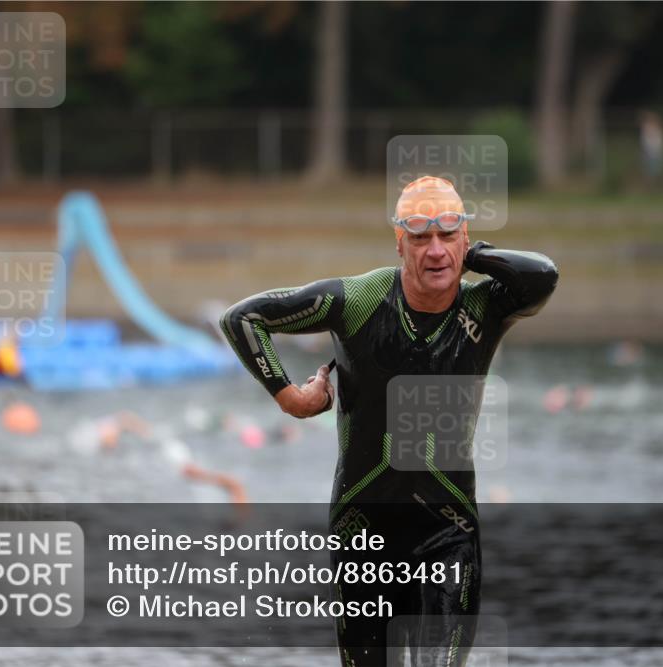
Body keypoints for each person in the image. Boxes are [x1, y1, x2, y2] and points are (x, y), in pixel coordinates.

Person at [220, 175, 558, 666]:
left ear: (465, 239)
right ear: (400, 243)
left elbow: (543, 276)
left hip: (447, 533)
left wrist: (475, 255)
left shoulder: (485, 306)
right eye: (420, 238)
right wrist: (290, 398)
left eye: (448, 236)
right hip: (362, 531)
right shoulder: (356, 301)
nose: (435, 252)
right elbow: (242, 319)